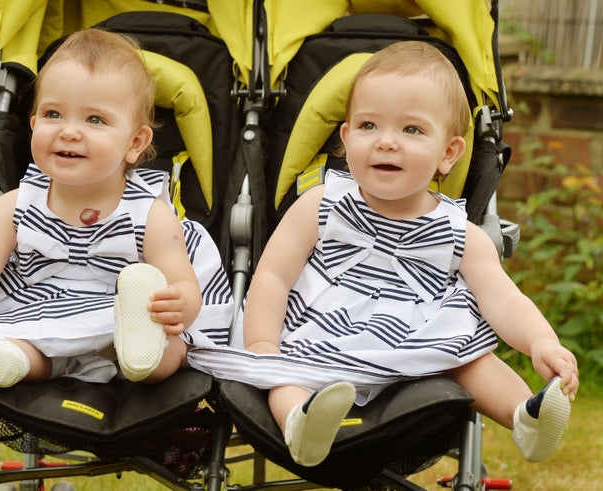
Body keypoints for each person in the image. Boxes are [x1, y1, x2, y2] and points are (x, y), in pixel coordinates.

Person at [188, 41, 579, 467]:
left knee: (471, 360)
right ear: (345, 136)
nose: (386, 143)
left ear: (448, 154)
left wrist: (541, 340)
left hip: (413, 345)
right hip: (321, 335)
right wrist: (263, 343)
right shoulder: (321, 204)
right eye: (368, 126)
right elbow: (273, 276)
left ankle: (525, 415)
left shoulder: (459, 233)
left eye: (411, 130)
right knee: (285, 376)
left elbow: (503, 299)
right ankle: (301, 424)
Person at [0, 28, 233, 390]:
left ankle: (143, 357)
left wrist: (179, 305)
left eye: (94, 120)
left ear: (135, 143)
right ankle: (7, 360)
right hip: (44, 318)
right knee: (26, 348)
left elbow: (184, 285)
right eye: (53, 114)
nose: (69, 132)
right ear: (33, 125)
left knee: (170, 348)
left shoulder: (149, 215)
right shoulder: (16, 207)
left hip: (125, 323)